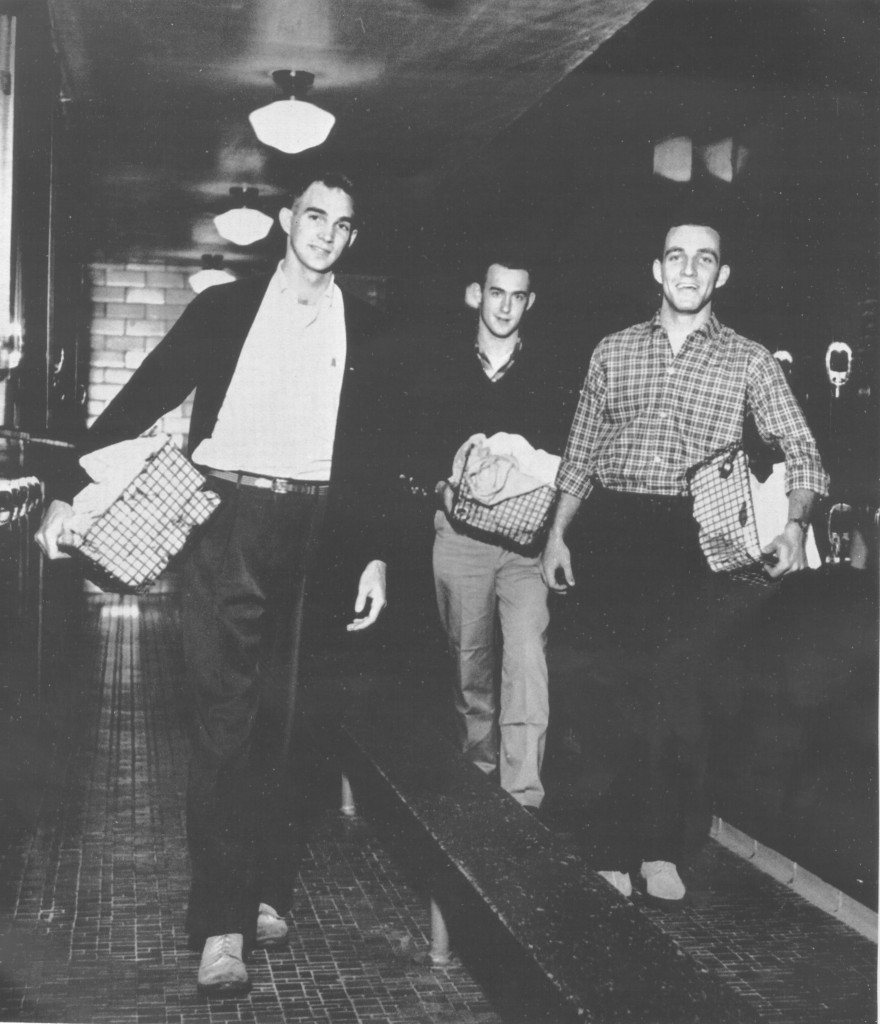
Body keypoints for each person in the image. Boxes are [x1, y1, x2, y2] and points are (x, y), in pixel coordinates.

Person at [35, 171, 393, 995]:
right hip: (227, 521)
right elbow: (143, 393)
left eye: (343, 223)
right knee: (227, 723)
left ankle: (261, 884)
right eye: (313, 215)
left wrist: (373, 554)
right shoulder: (227, 309)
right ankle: (220, 924)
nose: (326, 233)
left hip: (316, 528)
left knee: (287, 722)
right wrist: (65, 483)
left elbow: (373, 458)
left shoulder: (362, 328)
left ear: (351, 237)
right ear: (285, 220)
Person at [541, 217, 829, 900]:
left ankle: (660, 848)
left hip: (690, 537)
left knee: (676, 697)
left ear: (722, 275)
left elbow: (804, 451)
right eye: (677, 257)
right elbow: (579, 456)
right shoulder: (611, 352)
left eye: (705, 260)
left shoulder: (749, 360)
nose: (690, 271)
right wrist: (557, 535)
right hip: (611, 527)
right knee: (604, 693)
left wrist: (793, 523)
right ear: (657, 269)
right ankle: (608, 846)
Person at [402, 255, 571, 812]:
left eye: (517, 296)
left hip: (525, 545)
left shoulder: (550, 371)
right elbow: (417, 441)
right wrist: (441, 488)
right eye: (496, 293)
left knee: (528, 661)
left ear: (531, 303)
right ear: (477, 293)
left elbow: (565, 457)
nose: (505, 306)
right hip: (461, 539)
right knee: (468, 666)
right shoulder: (440, 362)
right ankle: (479, 787)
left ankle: (523, 799)